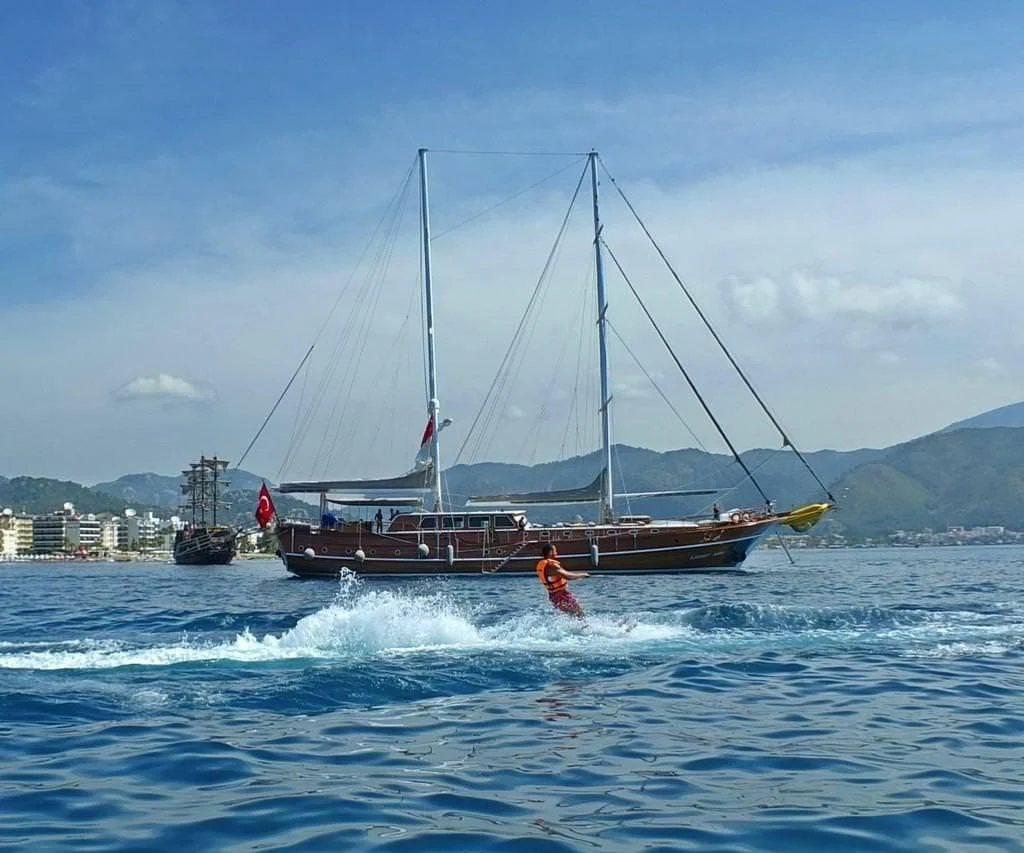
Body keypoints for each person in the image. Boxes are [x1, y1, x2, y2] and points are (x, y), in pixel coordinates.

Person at [536, 542, 589, 618]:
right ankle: (585, 629)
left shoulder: (542, 565)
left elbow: (565, 573)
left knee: (572, 616)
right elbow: (567, 576)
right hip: (562, 595)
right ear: (550, 552)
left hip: (554, 596)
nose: (557, 552)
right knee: (580, 614)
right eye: (555, 551)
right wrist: (583, 575)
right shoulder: (551, 566)